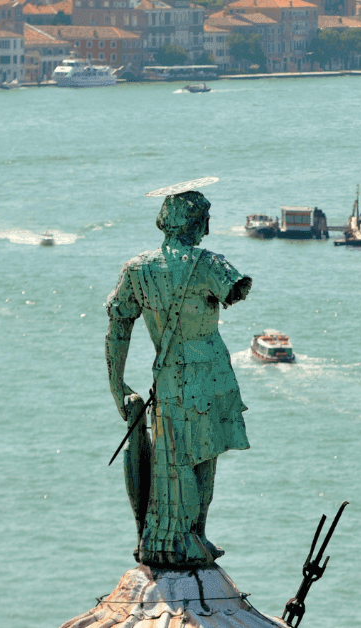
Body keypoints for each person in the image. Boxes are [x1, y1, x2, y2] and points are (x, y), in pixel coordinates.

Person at [105, 186, 252, 568]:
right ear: (196, 221)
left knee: (172, 457)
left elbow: (118, 327)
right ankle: (194, 535)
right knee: (204, 459)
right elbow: (235, 290)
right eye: (206, 217)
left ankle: (174, 535)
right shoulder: (210, 264)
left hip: (169, 377)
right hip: (211, 377)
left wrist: (116, 385)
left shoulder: (137, 268)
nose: (208, 225)